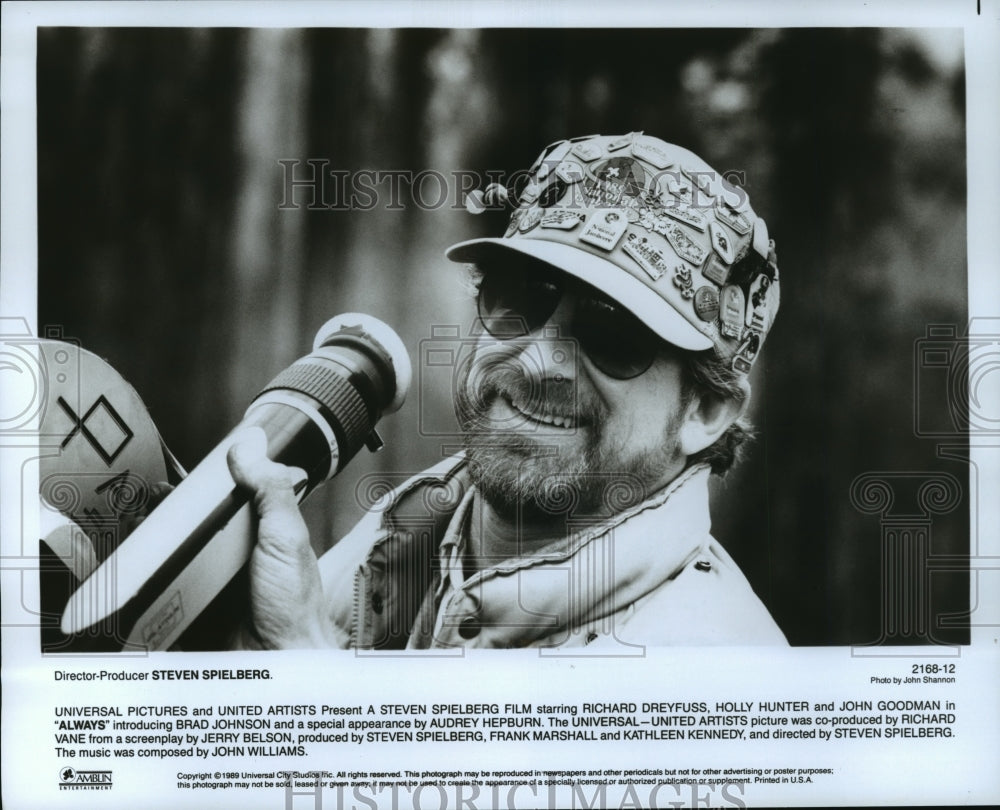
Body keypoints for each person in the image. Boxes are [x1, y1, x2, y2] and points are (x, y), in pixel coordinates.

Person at [228, 133, 786, 649]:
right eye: (518, 299)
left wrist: (298, 662)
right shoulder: (399, 542)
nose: (539, 358)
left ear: (707, 409)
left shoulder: (724, 671)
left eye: (612, 332)